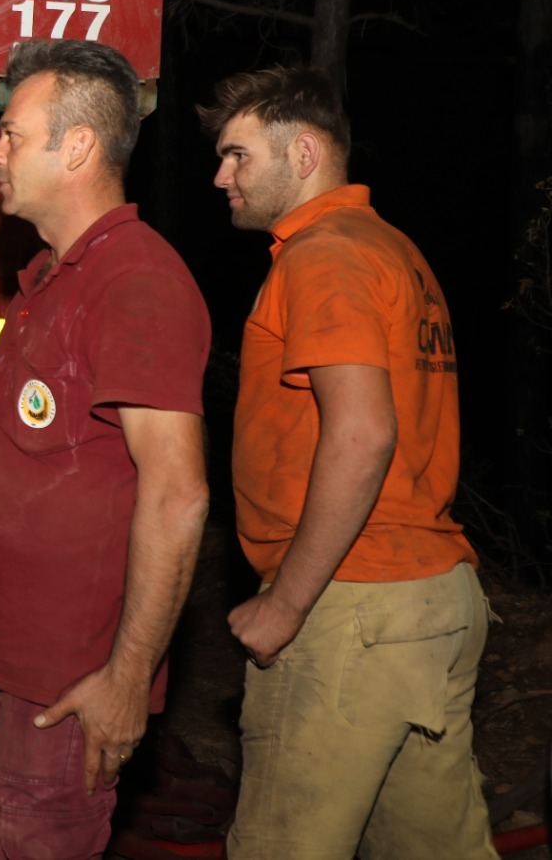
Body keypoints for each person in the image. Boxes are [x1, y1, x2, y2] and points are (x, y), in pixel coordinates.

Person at [202, 67, 495, 859]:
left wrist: (287, 604)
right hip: (430, 599)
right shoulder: (393, 250)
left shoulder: (322, 255)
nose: (219, 176)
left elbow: (363, 436)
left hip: (351, 609)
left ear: (303, 155)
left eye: (237, 156)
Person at [0, 40, 211, 859]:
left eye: (12, 135)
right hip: (17, 681)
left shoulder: (136, 284)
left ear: (80, 147)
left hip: (71, 693)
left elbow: (178, 496)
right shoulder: (53, 279)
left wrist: (128, 680)